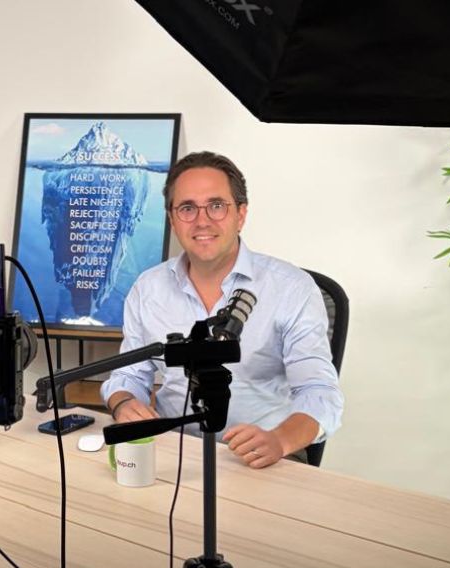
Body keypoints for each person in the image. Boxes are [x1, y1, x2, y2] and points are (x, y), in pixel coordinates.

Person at [100, 151, 343, 468]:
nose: (202, 220)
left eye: (216, 206)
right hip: (176, 456)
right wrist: (125, 403)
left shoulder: (292, 288)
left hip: (263, 457)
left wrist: (281, 440)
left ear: (241, 214)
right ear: (172, 219)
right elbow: (129, 375)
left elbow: (320, 393)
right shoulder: (148, 289)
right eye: (187, 208)